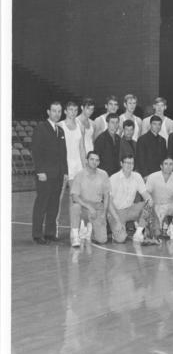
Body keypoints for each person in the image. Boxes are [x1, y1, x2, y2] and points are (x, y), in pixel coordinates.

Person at [31, 102, 68, 245]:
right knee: (42, 204)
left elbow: (63, 154)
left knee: (54, 205)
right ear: (48, 112)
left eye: (59, 111)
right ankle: (37, 234)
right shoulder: (41, 128)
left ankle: (50, 233)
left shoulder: (61, 131)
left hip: (58, 175)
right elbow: (36, 151)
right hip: (45, 174)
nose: (57, 114)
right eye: (54, 111)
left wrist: (65, 172)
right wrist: (40, 171)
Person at [108, 155, 154, 243]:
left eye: (132, 163)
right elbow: (109, 202)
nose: (129, 165)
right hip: (116, 212)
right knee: (121, 239)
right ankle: (117, 230)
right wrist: (117, 220)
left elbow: (145, 194)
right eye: (127, 163)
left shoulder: (137, 176)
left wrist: (150, 200)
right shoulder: (114, 178)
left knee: (149, 204)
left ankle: (138, 232)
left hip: (130, 209)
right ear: (121, 164)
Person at [56, 101, 86, 236]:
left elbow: (82, 148)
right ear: (65, 111)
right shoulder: (60, 126)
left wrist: (85, 167)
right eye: (70, 110)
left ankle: (74, 229)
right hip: (64, 166)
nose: (73, 112)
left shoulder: (80, 126)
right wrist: (60, 168)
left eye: (75, 110)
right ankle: (54, 226)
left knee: (75, 199)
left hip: (77, 167)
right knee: (59, 197)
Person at [69, 151, 110, 247]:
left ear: (99, 162)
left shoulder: (103, 174)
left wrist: (104, 213)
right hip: (84, 206)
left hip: (97, 207)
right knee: (75, 207)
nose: (94, 162)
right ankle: (75, 236)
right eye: (92, 159)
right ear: (87, 160)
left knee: (102, 240)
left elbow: (107, 195)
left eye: (97, 160)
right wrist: (89, 207)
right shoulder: (80, 175)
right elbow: (74, 196)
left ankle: (89, 227)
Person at [146, 158, 173, 240]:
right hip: (156, 206)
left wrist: (172, 204)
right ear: (161, 166)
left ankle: (171, 229)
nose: (168, 166)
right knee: (156, 233)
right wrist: (154, 207)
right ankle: (155, 227)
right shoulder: (152, 176)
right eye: (166, 164)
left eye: (171, 164)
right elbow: (146, 194)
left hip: (171, 205)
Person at [136, 115, 168, 179]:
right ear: (150, 125)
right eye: (154, 124)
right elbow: (140, 159)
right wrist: (145, 175)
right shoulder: (142, 139)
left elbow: (164, 158)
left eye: (159, 124)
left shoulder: (162, 140)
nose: (157, 126)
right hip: (147, 175)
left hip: (160, 174)